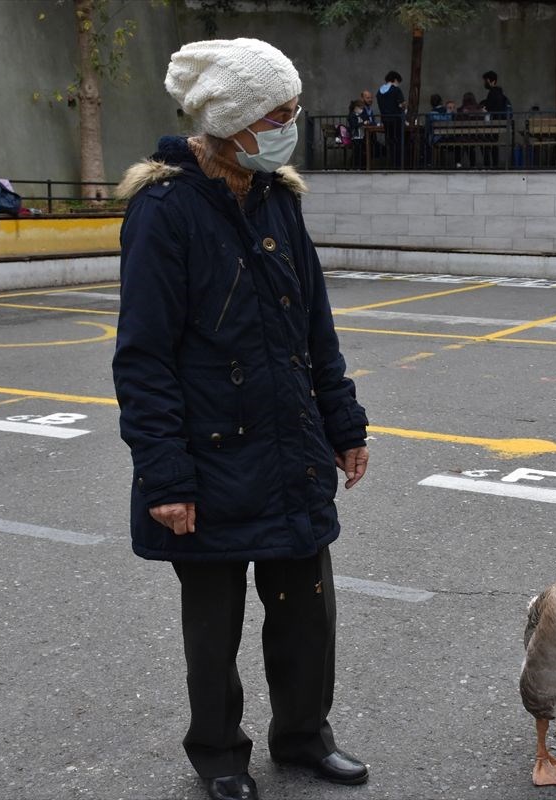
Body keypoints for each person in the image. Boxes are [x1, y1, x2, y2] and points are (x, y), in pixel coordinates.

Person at [112, 37, 371, 800]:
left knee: (305, 616)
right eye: (280, 113)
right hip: (207, 458)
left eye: (292, 110)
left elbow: (314, 328)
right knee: (213, 630)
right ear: (233, 119)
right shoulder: (164, 211)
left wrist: (344, 424)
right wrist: (164, 475)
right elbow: (144, 358)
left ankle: (302, 737)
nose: (292, 125)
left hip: (289, 448)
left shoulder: (278, 198)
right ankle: (220, 753)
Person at [478, 70, 510, 166]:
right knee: (493, 142)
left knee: (485, 142)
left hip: (493, 122)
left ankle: (488, 165)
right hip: (498, 122)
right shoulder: (499, 93)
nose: (484, 83)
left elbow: (491, 107)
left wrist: (485, 110)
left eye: (485, 81)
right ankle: (495, 164)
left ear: (490, 81)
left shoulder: (493, 93)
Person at [376, 70, 406, 168]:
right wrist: (404, 107)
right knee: (399, 142)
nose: (398, 84)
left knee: (389, 141)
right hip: (396, 119)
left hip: (385, 120)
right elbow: (401, 104)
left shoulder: (379, 92)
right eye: (398, 82)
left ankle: (391, 163)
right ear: (395, 80)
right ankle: (399, 165)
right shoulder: (396, 90)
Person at [346, 97, 370, 169]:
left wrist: (365, 121)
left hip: (361, 136)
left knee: (360, 152)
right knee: (357, 152)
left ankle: (360, 166)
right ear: (356, 108)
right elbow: (354, 125)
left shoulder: (359, 115)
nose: (362, 110)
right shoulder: (352, 116)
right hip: (355, 137)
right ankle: (355, 166)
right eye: (361, 108)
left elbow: (366, 118)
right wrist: (363, 123)